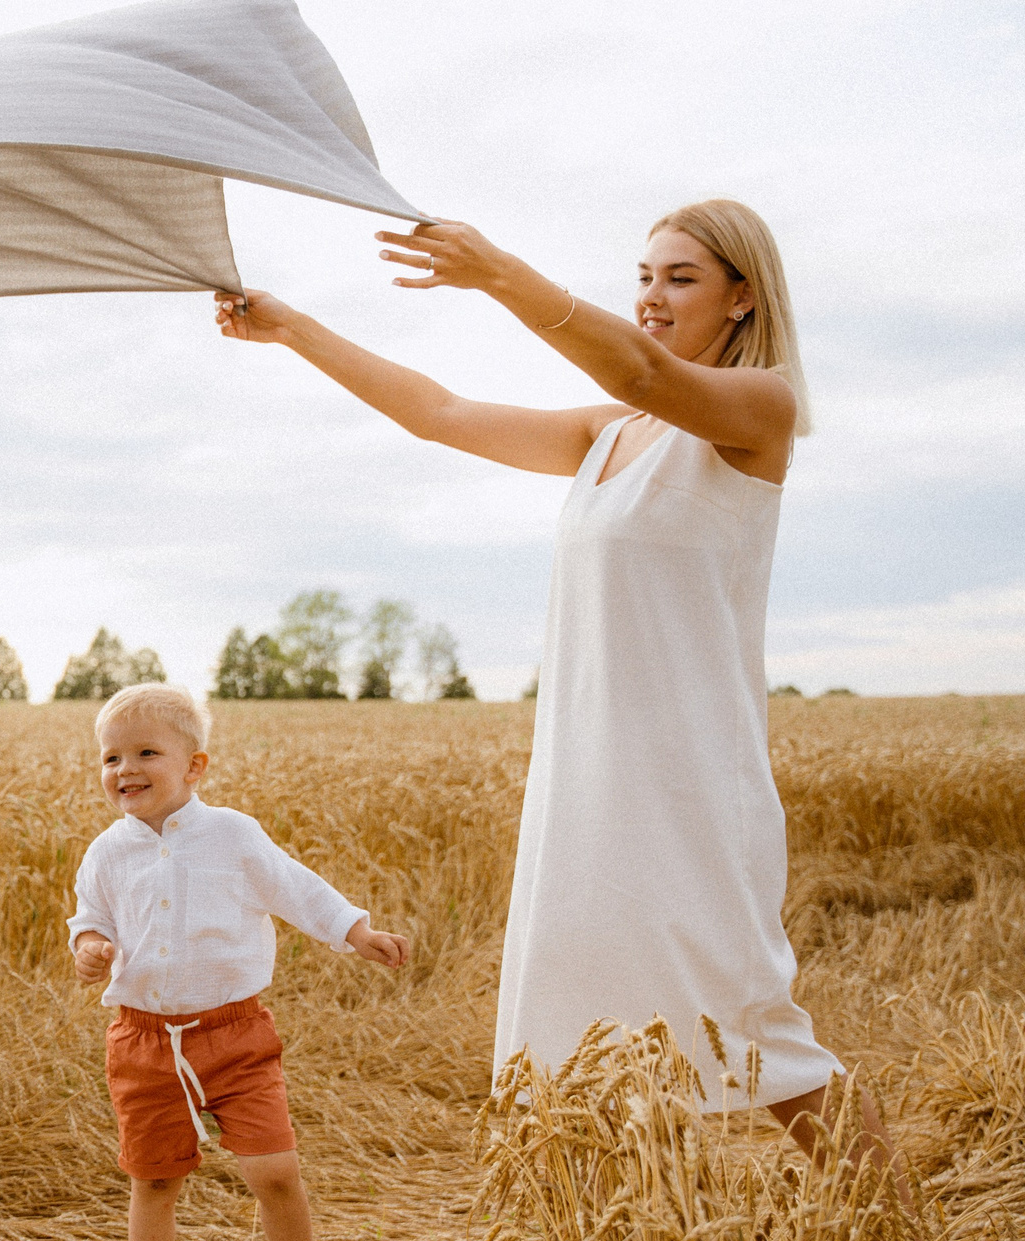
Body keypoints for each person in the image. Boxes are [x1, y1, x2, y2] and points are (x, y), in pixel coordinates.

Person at [211, 200, 893, 1172]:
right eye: (644, 276)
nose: (652, 296)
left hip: (693, 779)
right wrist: (294, 330)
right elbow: (438, 415)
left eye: (681, 278)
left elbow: (642, 370)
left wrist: (498, 272)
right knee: (588, 1021)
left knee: (754, 1026)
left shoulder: (759, 410)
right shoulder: (608, 435)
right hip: (588, 778)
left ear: (742, 298)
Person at [67, 684, 410, 1241]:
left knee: (274, 1169)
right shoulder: (106, 852)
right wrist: (90, 947)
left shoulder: (231, 835)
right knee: (154, 1176)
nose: (125, 769)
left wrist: (356, 931)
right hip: (143, 1042)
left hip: (236, 1036)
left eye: (146, 753)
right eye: (111, 757)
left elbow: (297, 888)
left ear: (194, 765)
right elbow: (90, 917)